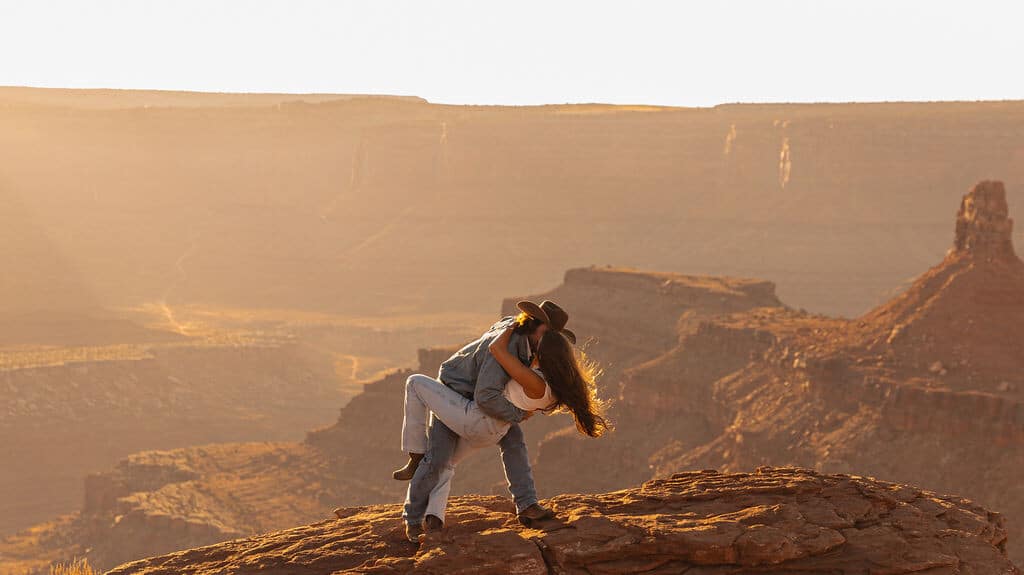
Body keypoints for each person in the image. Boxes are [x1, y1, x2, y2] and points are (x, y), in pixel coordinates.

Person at [392, 300, 610, 543]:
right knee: (439, 458)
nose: (550, 340)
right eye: (549, 334)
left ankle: (525, 505)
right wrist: (518, 414)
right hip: (456, 391)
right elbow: (486, 396)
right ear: (536, 327)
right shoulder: (512, 346)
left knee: (509, 442)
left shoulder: (528, 346)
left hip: (478, 406)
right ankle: (418, 498)